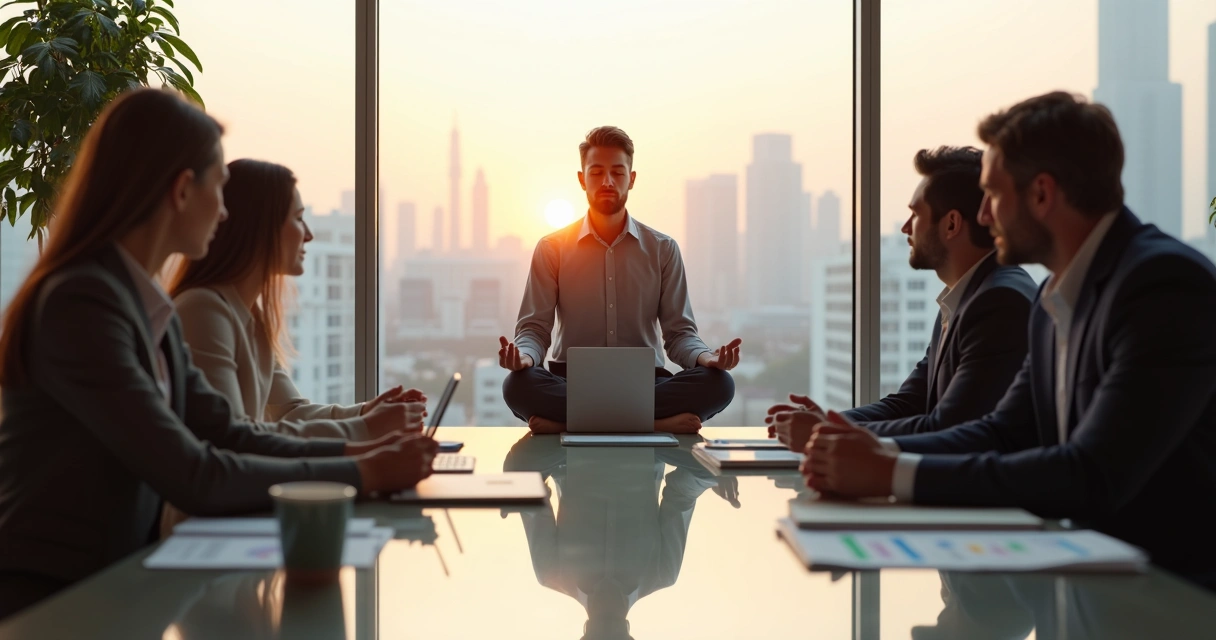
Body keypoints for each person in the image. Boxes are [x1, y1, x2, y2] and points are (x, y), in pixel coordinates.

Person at [0, 89, 437, 620]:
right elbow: (193, 471)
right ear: (183, 191)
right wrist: (365, 472)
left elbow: (229, 433)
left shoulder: (142, 306)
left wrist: (362, 457)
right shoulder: (83, 304)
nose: (226, 211)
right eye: (221, 189)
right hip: (55, 600)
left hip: (116, 585)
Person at [798, 91, 1216, 589]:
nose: (984, 215)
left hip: (1170, 596)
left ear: (1041, 194)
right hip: (1084, 582)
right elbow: (1001, 431)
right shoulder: (1049, 300)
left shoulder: (1162, 284)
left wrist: (892, 473)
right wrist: (873, 453)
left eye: (994, 195)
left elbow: (1091, 472)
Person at [767, 147, 1037, 450]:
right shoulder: (965, 296)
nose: (906, 227)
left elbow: (948, 426)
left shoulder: (999, 303)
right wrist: (828, 423)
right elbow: (910, 402)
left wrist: (828, 433)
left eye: (916, 213)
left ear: (951, 224)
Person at [499, 126, 740, 434]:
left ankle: (568, 423)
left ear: (632, 178)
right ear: (582, 179)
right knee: (517, 385)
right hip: (570, 380)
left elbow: (679, 334)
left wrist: (707, 358)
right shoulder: (552, 248)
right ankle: (654, 424)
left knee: (719, 383)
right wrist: (524, 357)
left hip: (645, 381)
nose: (608, 182)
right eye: (596, 172)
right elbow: (534, 329)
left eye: (617, 172)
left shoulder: (662, 249)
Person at [168, 159, 426, 441]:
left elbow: (290, 413)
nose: (309, 235)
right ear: (260, 227)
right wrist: (365, 428)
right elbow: (234, 438)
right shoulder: (203, 311)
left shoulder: (249, 316)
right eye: (298, 218)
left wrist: (367, 412)